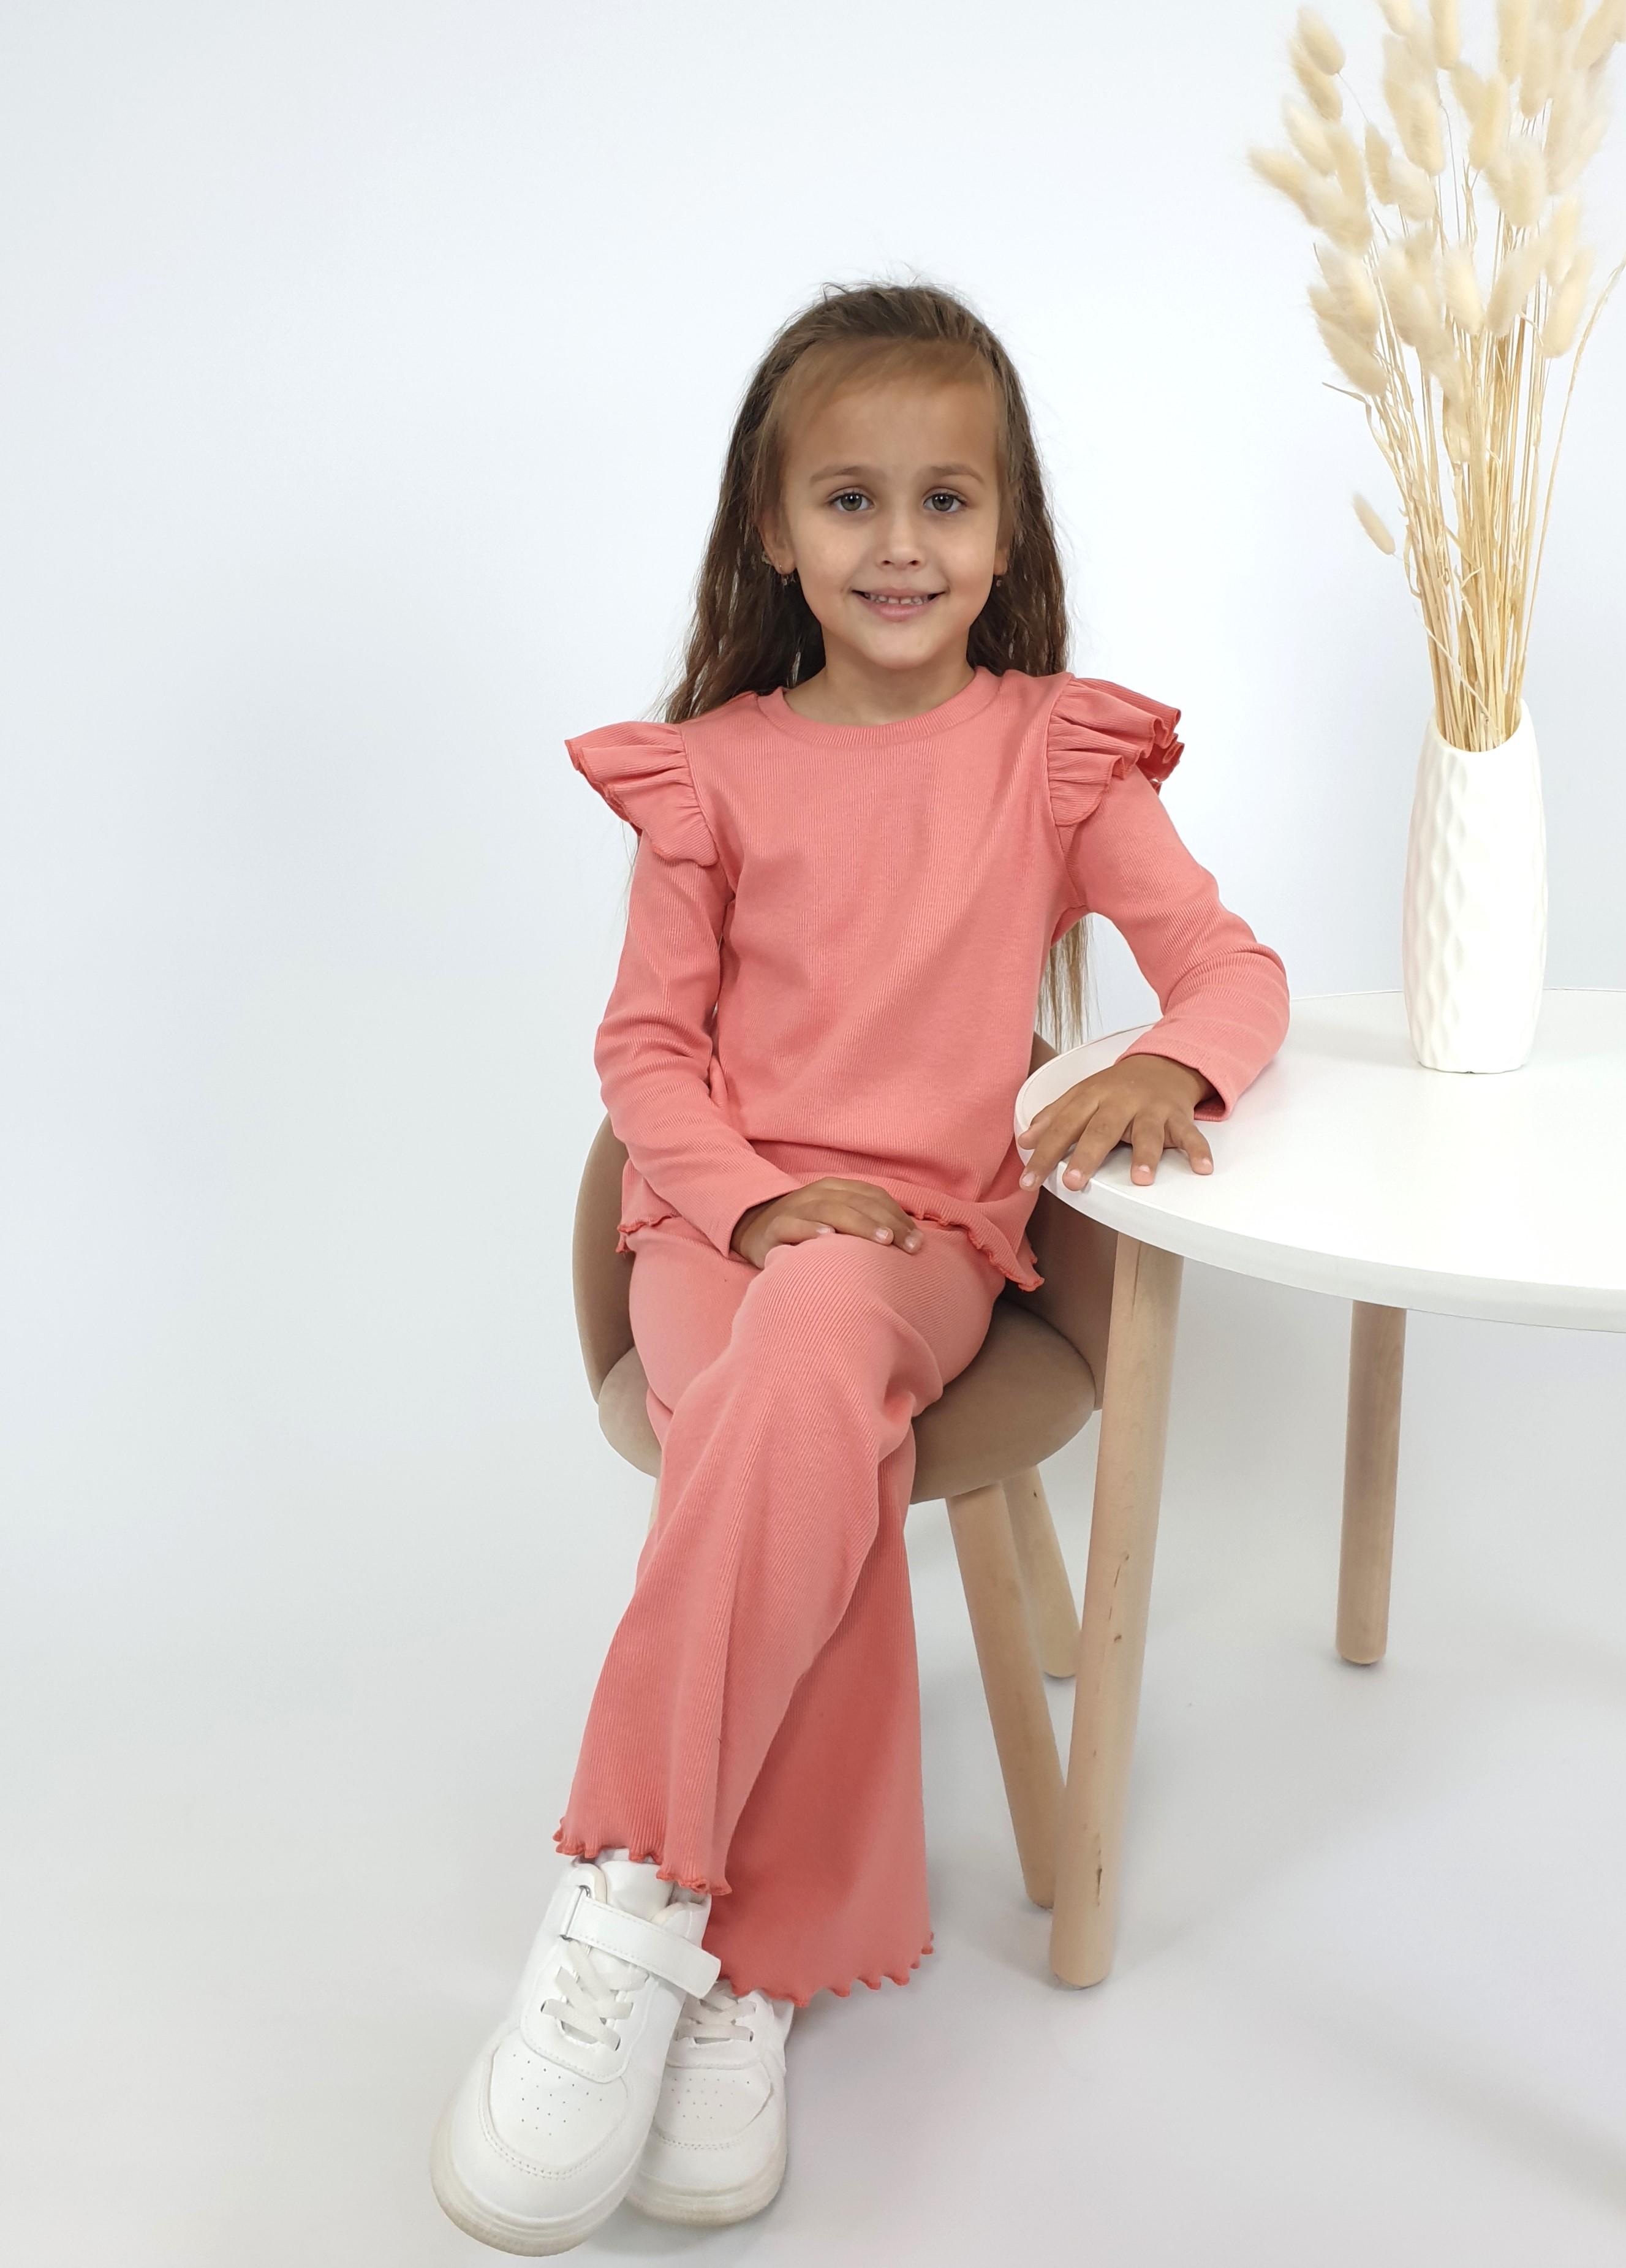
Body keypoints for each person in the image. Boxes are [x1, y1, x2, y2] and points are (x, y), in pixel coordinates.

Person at [431, 277, 1291, 2253]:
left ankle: (635, 1897)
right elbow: (647, 1055)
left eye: (945, 501)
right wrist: (746, 1205)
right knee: (795, 1395)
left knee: (826, 1333)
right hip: (711, 1232)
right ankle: (744, 1972)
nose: (901, 545)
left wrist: (1169, 1061)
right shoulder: (709, 773)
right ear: (774, 528)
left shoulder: (1057, 755)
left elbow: (1229, 971)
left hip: (924, 1245)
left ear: (1006, 527)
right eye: (849, 499)